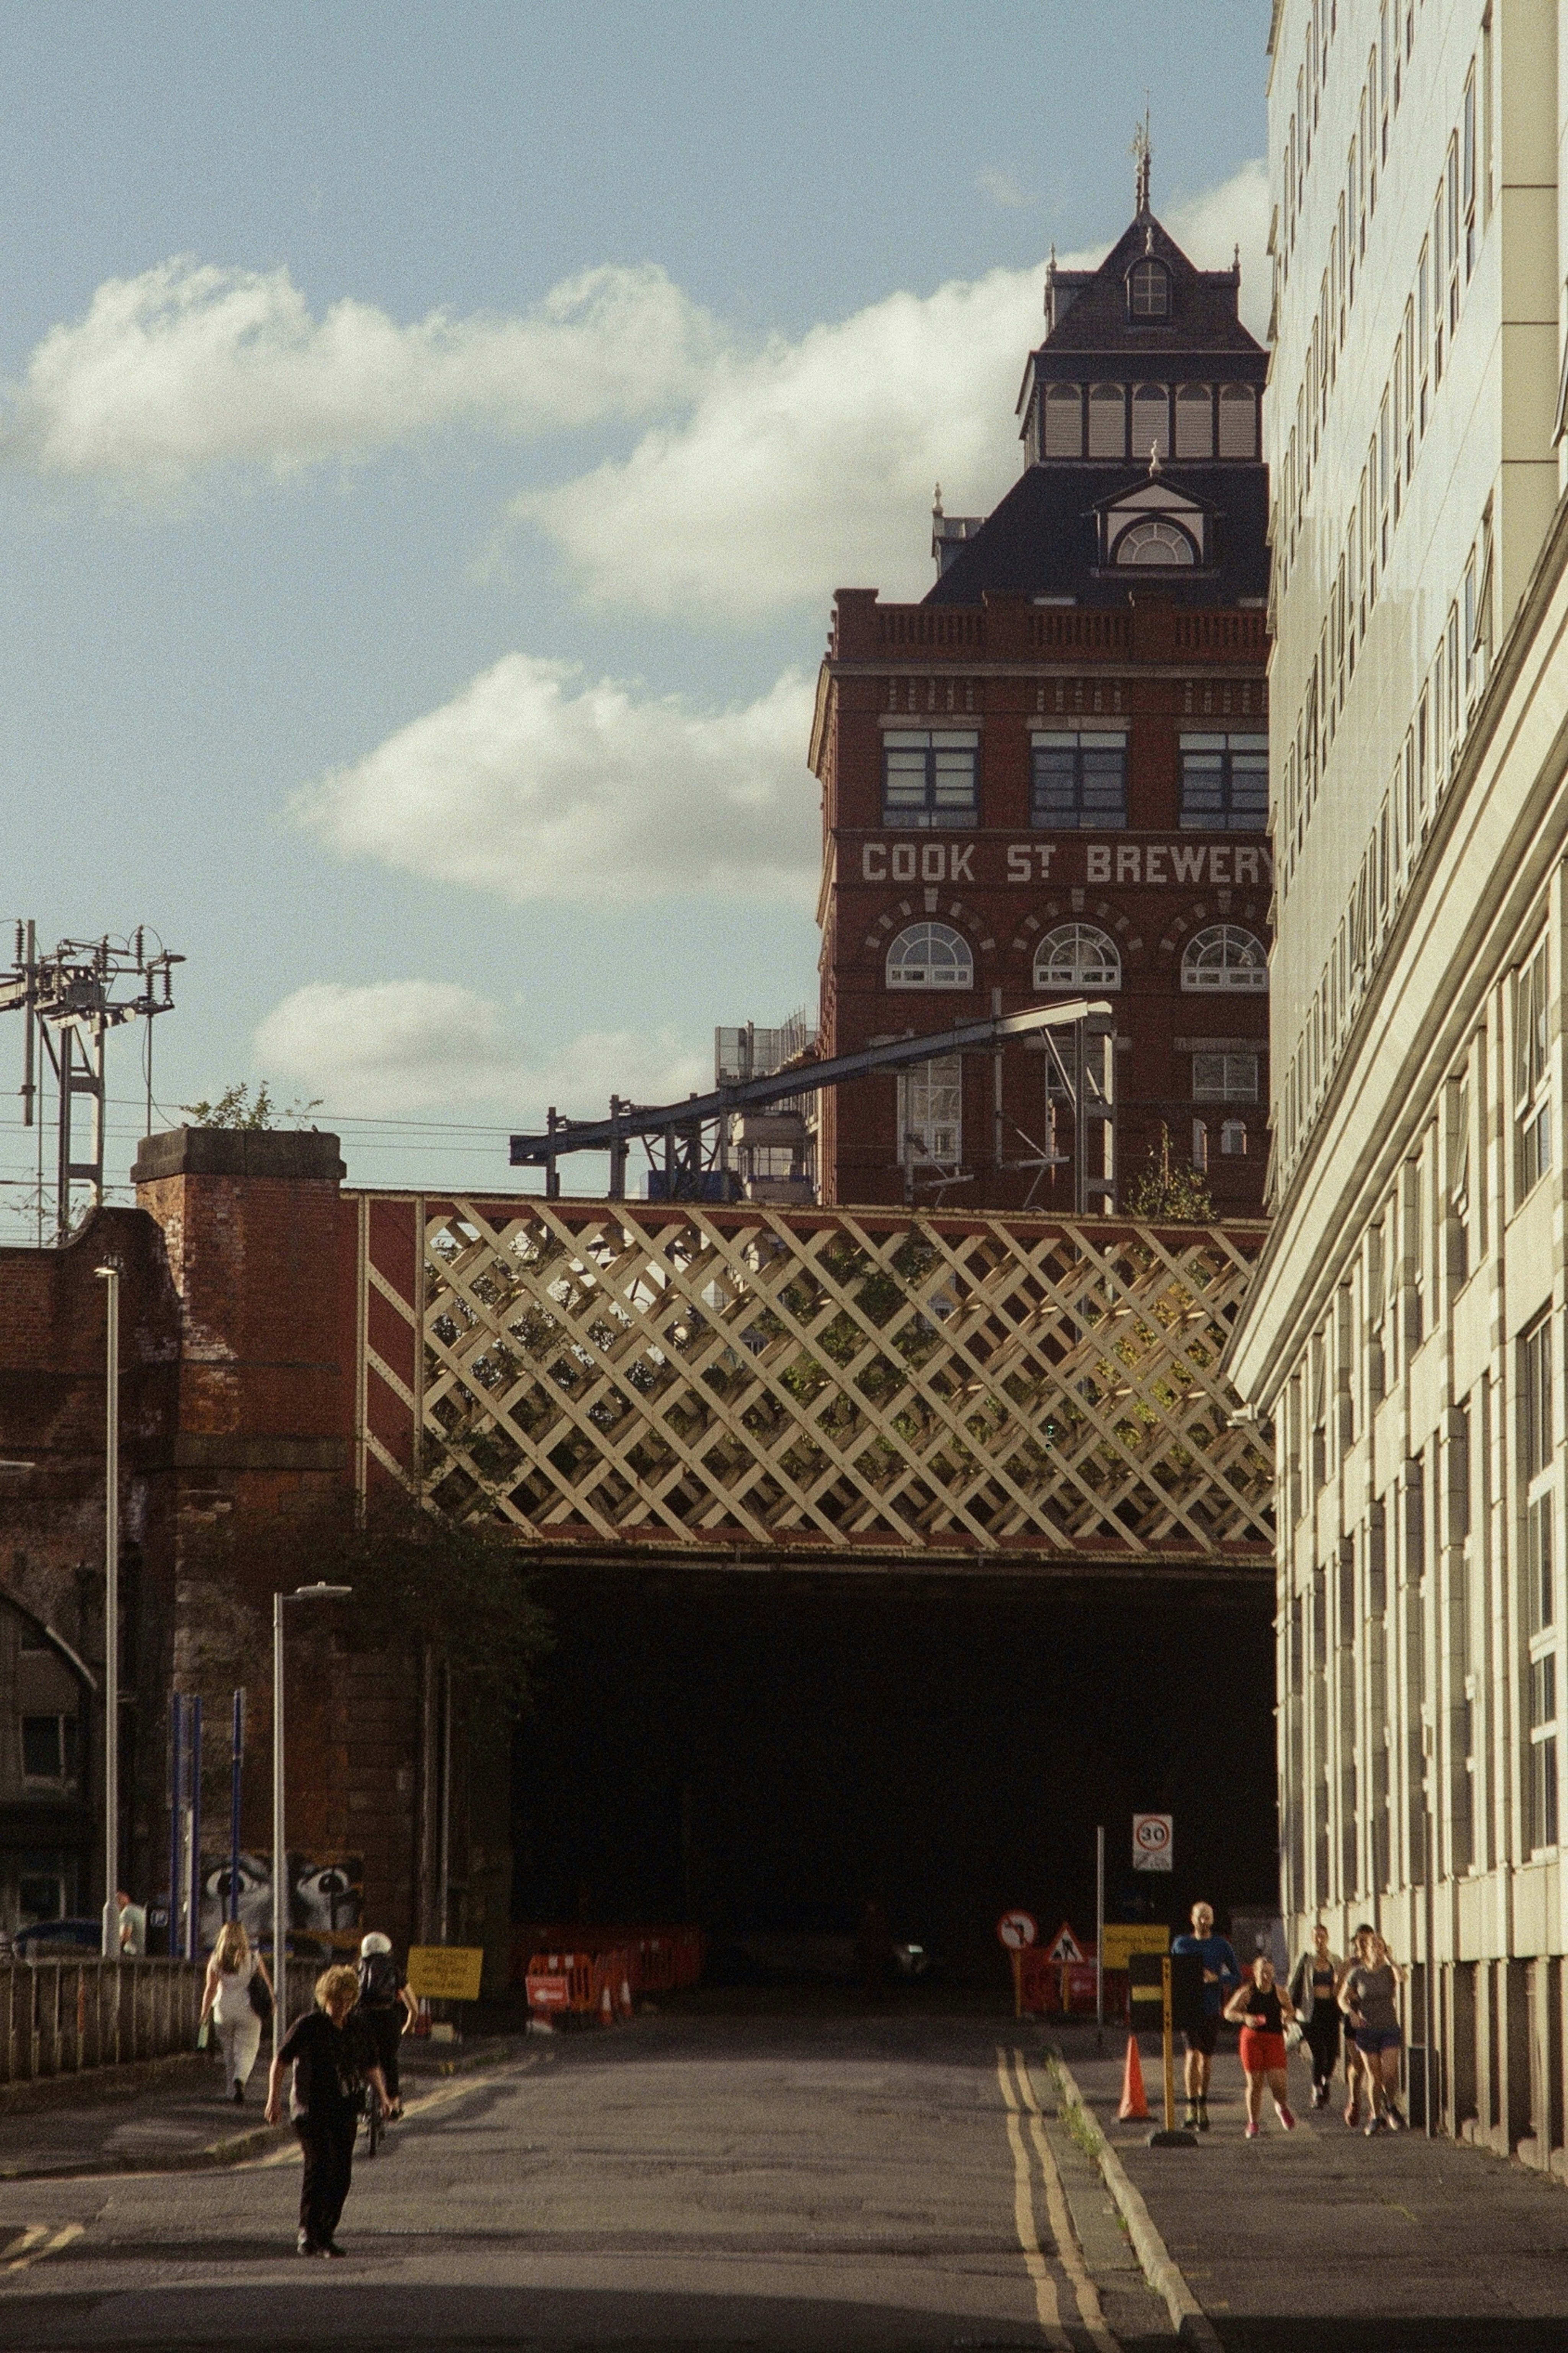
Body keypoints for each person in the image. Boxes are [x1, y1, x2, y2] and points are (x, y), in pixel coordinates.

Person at [264, 1962, 390, 2256]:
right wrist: (273, 2099)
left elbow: (371, 2066)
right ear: (325, 1998)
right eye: (336, 2000)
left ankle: (326, 2232)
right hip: (311, 2107)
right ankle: (308, 2232)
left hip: (345, 2107)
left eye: (348, 2000)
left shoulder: (358, 2028)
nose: (342, 2006)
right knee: (319, 2167)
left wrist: (383, 2096)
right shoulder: (309, 2025)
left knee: (342, 2173)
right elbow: (280, 2061)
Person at [1171, 1899, 1241, 2131]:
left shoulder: (1221, 1946)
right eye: (1200, 1916)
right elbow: (1169, 1971)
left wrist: (1217, 1980)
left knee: (1206, 2060)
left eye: (1208, 1916)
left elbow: (1237, 1976)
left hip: (1211, 2009)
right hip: (1188, 2008)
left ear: (1212, 1919)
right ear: (1192, 1918)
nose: (1204, 1920)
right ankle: (1191, 2107)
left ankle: (1203, 2104)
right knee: (1192, 2055)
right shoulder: (1181, 1944)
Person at [1340, 1925, 1406, 2134]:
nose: (1378, 1949)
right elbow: (1342, 1998)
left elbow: (1403, 1978)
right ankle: (1376, 2115)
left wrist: (1391, 1960)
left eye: (1381, 1946)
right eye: (1374, 1946)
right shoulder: (1357, 1974)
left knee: (1390, 2072)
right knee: (1375, 2076)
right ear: (1366, 1950)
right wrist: (1351, 2013)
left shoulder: (1389, 1971)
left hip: (1389, 2028)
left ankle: (1391, 2105)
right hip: (1367, 2030)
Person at [1224, 1953, 1298, 2137]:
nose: (1267, 1977)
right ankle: (1253, 2122)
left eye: (1270, 1973)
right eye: (1263, 1973)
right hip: (1252, 2039)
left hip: (1274, 2038)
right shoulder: (1247, 1993)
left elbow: (1290, 2010)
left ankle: (1281, 2106)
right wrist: (1245, 2018)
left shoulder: (1279, 1992)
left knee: (1278, 2083)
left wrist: (1287, 2017)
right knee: (1255, 2083)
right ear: (1255, 1973)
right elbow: (1228, 2013)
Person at [199, 1920, 273, 2104]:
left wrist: (204, 2013)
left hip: (223, 2008)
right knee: (248, 2048)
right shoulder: (254, 1958)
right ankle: (240, 2079)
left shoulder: (216, 1959)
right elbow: (266, 1984)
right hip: (248, 2008)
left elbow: (210, 1988)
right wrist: (272, 2003)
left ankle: (231, 2091)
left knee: (228, 2050)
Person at [356, 1932, 418, 2116]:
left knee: (360, 2059)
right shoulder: (395, 1969)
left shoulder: (356, 1968)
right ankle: (394, 2104)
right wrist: (408, 2027)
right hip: (388, 2019)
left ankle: (359, 2099)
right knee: (389, 2060)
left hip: (363, 2019)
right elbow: (414, 2008)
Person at [1289, 1921, 1343, 2110]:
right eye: (1316, 1936)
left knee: (1333, 2054)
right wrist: (1289, 2010)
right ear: (1312, 1939)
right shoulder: (1306, 1959)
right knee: (1319, 2053)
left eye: (1322, 1936)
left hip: (1330, 2009)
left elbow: (1343, 1983)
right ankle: (1316, 2090)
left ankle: (1326, 2080)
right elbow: (1294, 1983)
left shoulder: (1335, 1960)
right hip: (1309, 2011)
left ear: (1327, 1938)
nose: (1319, 1940)